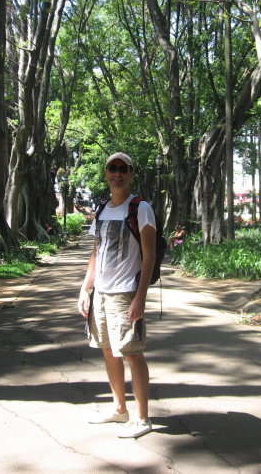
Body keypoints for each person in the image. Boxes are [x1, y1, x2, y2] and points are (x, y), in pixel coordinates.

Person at [78, 152, 156, 439]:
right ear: (106, 172)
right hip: (101, 293)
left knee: (132, 354)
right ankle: (119, 409)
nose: (117, 173)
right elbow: (96, 253)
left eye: (123, 169)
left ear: (131, 174)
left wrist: (140, 297)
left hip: (125, 293)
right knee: (109, 351)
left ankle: (143, 418)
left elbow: (149, 256)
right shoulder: (101, 210)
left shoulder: (140, 208)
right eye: (113, 168)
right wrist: (86, 289)